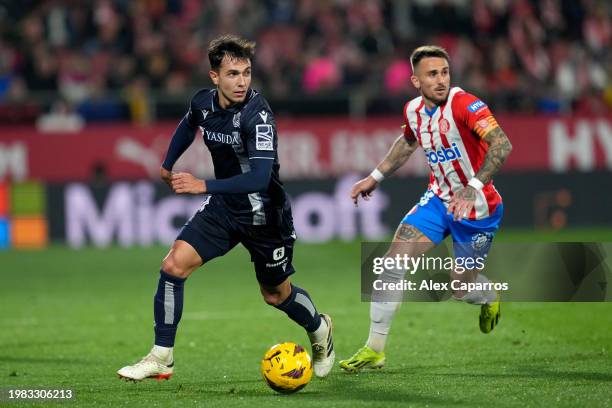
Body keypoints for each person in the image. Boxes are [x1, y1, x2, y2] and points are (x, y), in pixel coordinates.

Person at [117, 35, 334, 381]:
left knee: (276, 294)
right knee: (173, 266)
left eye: (246, 73)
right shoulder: (203, 102)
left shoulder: (257, 116)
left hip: (266, 215)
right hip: (224, 208)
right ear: (214, 77)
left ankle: (319, 329)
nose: (242, 81)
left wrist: (203, 185)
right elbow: (189, 124)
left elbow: (261, 178)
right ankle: (162, 356)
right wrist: (167, 163)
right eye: (233, 73)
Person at [339, 45, 512, 372]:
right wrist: (374, 177)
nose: (441, 80)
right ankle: (375, 349)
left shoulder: (465, 104)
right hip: (437, 201)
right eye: (432, 74)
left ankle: (488, 296)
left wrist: (471, 187)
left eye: (444, 72)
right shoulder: (413, 111)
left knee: (460, 287)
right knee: (391, 262)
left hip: (477, 208)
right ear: (415, 80)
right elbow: (407, 142)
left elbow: (502, 144)